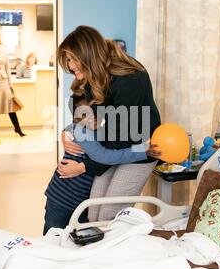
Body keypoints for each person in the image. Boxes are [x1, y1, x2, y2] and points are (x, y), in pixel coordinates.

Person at [56, 25, 161, 222]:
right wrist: (67, 132)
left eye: (73, 59)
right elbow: (88, 119)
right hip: (112, 146)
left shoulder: (128, 79)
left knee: (109, 217)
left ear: (87, 54)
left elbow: (121, 138)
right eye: (68, 60)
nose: (70, 66)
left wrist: (84, 166)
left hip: (139, 149)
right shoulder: (93, 75)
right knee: (94, 213)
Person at [43, 94, 157, 235]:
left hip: (80, 201)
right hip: (62, 200)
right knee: (52, 236)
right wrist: (142, 150)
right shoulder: (83, 133)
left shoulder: (95, 130)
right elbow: (106, 156)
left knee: (76, 238)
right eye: (85, 114)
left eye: (95, 110)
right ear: (77, 118)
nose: (92, 116)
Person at [0, 31, 26, 137]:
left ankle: (18, 129)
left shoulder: (3, 48)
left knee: (10, 106)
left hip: (4, 81)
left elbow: (7, 66)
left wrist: (10, 83)